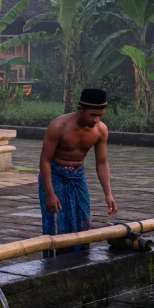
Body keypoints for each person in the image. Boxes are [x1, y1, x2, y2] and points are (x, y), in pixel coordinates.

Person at [39, 88, 115, 254]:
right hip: (55, 174)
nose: (96, 120)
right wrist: (49, 193)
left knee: (83, 218)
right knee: (56, 220)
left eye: (100, 115)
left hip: (78, 176)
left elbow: (102, 162)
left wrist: (108, 194)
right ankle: (54, 263)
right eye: (93, 115)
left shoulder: (101, 130)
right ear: (80, 109)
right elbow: (45, 160)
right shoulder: (59, 126)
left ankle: (81, 257)